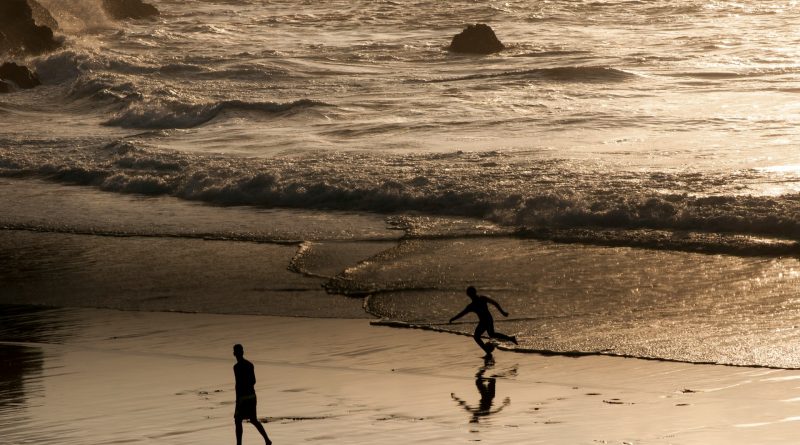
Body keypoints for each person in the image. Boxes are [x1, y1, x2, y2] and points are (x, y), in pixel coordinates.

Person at [449, 286, 518, 355]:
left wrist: (503, 312)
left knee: (482, 336)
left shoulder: (480, 300)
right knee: (488, 334)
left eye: (470, 294)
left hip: (487, 320)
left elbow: (494, 303)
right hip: (484, 320)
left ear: (471, 294)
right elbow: (462, 314)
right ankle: (510, 339)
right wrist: (453, 319)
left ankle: (489, 350)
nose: (471, 296)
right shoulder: (472, 305)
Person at [233, 344, 272, 445]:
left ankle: (239, 444)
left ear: (234, 354)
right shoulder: (250, 365)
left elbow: (238, 385)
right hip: (252, 396)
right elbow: (253, 381)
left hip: (242, 397)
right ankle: (267, 440)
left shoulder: (236, 367)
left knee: (238, 420)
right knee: (253, 420)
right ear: (242, 352)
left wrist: (238, 400)